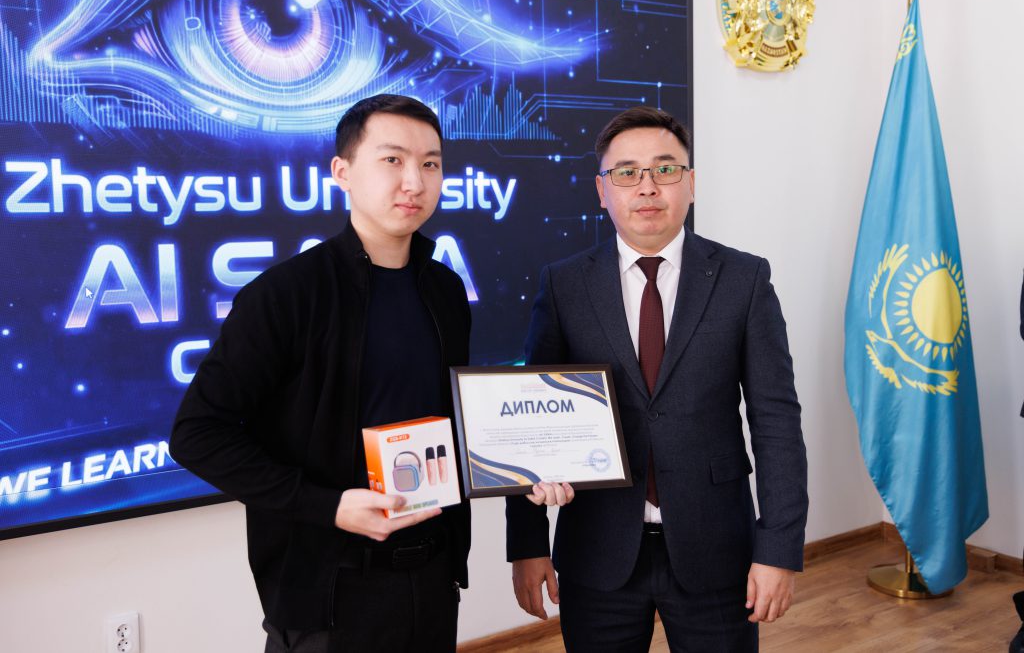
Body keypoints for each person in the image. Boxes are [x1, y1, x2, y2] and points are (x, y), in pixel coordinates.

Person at [170, 94, 472, 652]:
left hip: (431, 575)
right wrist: (328, 506)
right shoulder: (285, 294)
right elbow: (196, 435)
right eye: (392, 160)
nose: (414, 181)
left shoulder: (446, 291)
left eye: (430, 163)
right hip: (327, 591)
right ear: (343, 172)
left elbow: (452, 421)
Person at [505, 106, 808, 652]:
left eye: (665, 169)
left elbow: (777, 423)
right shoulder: (565, 285)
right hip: (597, 551)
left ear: (690, 183)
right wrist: (527, 545)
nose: (647, 187)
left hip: (717, 548)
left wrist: (779, 549)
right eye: (627, 172)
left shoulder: (743, 279)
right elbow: (527, 425)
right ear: (602, 190)